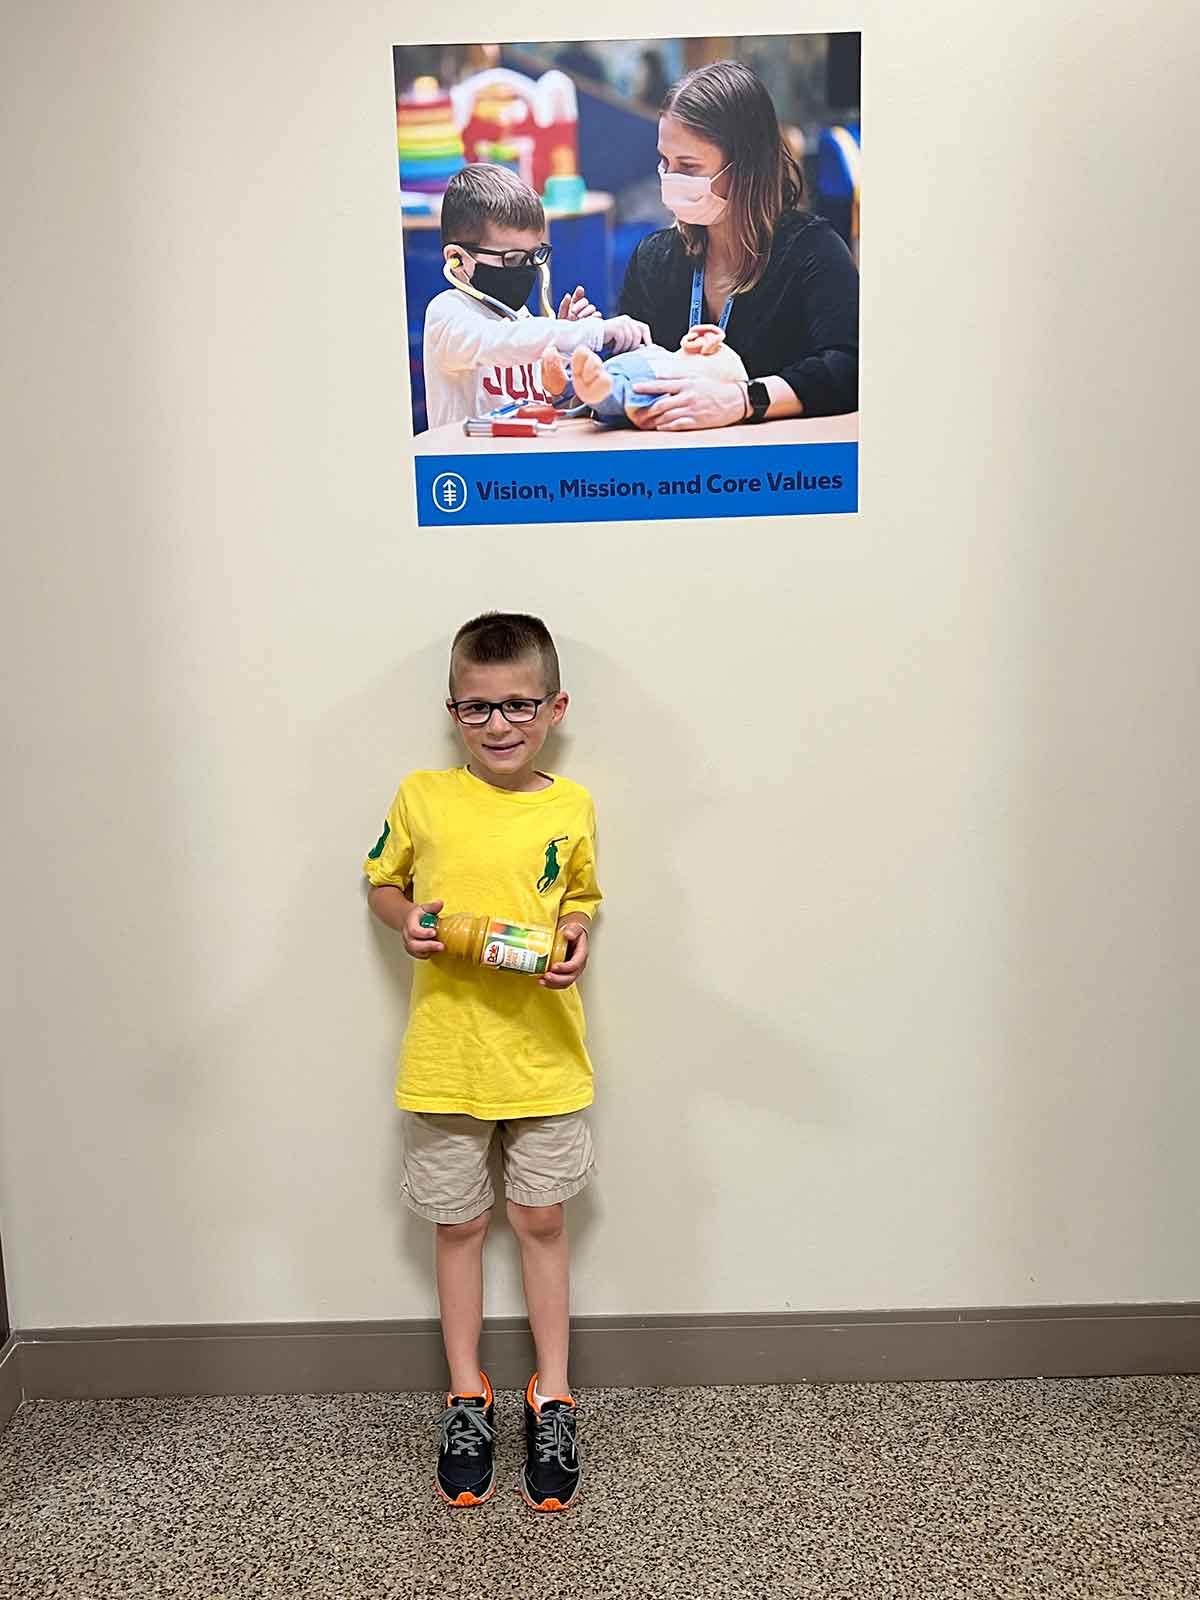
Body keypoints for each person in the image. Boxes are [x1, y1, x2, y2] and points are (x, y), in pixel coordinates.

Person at [362, 613, 602, 1513]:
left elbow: (579, 896)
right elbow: (384, 882)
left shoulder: (571, 805)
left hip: (544, 1060)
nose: (499, 725)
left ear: (554, 707)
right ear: (453, 710)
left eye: (518, 706)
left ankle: (553, 1392)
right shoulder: (423, 795)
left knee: (541, 1221)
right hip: (447, 1060)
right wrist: (407, 920)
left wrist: (574, 934)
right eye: (478, 709)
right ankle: (468, 1393)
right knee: (458, 1227)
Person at [618, 58, 859, 430]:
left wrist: (744, 399)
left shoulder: (813, 250)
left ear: (745, 167)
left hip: (776, 472)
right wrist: (596, 346)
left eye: (689, 165)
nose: (670, 178)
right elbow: (631, 370)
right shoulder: (653, 258)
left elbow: (850, 368)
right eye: (665, 161)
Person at [423, 163, 649, 429]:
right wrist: (588, 332)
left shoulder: (524, 322)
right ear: (457, 259)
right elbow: (498, 342)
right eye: (513, 258)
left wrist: (567, 355)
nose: (527, 268)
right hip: (471, 468)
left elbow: (553, 410)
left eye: (533, 256)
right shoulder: (447, 315)